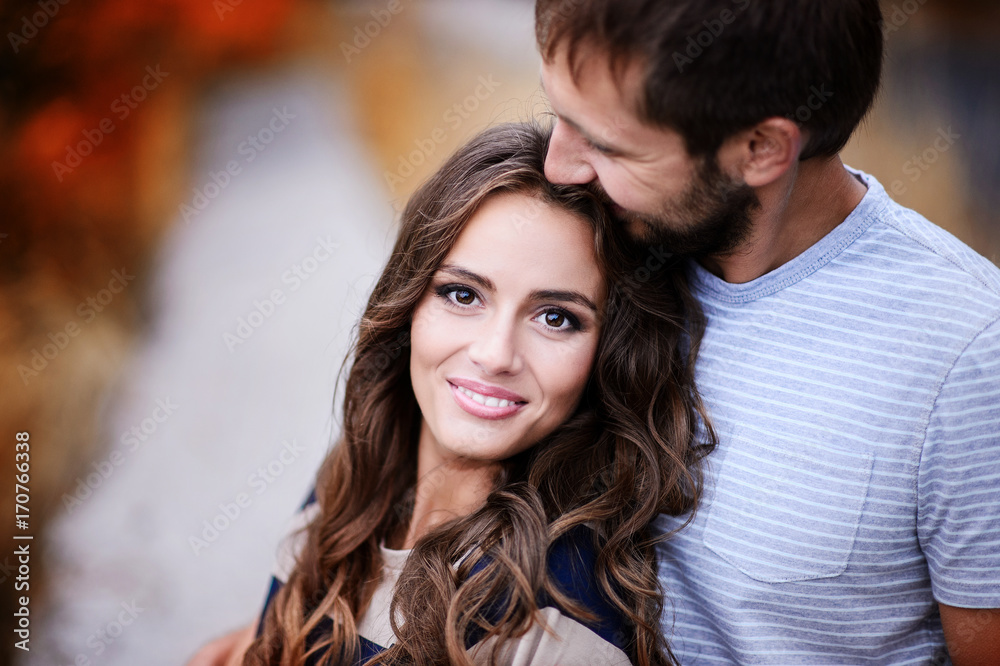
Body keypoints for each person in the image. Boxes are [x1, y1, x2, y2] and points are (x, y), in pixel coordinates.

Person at [534, 0, 1000, 663]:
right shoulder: (583, 248)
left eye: (607, 144)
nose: (559, 167)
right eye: (559, 116)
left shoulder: (967, 359)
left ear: (761, 149)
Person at [186, 122, 714, 666]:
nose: (495, 353)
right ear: (409, 303)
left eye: (556, 317)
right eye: (462, 294)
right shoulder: (355, 479)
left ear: (606, 354)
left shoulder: (557, 627)